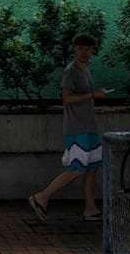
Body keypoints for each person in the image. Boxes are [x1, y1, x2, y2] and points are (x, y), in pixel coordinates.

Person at [28, 33, 108, 222]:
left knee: (92, 167)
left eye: (87, 49)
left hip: (88, 127)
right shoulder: (71, 71)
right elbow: (67, 98)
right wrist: (93, 95)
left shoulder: (84, 70)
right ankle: (42, 196)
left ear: (92, 51)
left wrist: (93, 95)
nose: (84, 52)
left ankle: (90, 208)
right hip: (76, 128)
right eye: (80, 48)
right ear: (74, 49)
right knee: (78, 168)